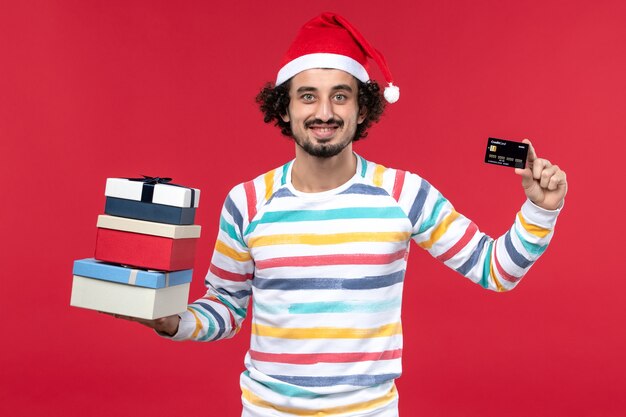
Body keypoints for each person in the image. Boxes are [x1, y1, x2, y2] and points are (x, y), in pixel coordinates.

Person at [116, 12, 567, 417]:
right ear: (286, 108)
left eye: (340, 96)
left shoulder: (402, 194)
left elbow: (495, 270)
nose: (324, 112)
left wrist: (539, 211)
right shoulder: (247, 201)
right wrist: (170, 322)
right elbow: (227, 309)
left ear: (361, 107)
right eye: (308, 96)